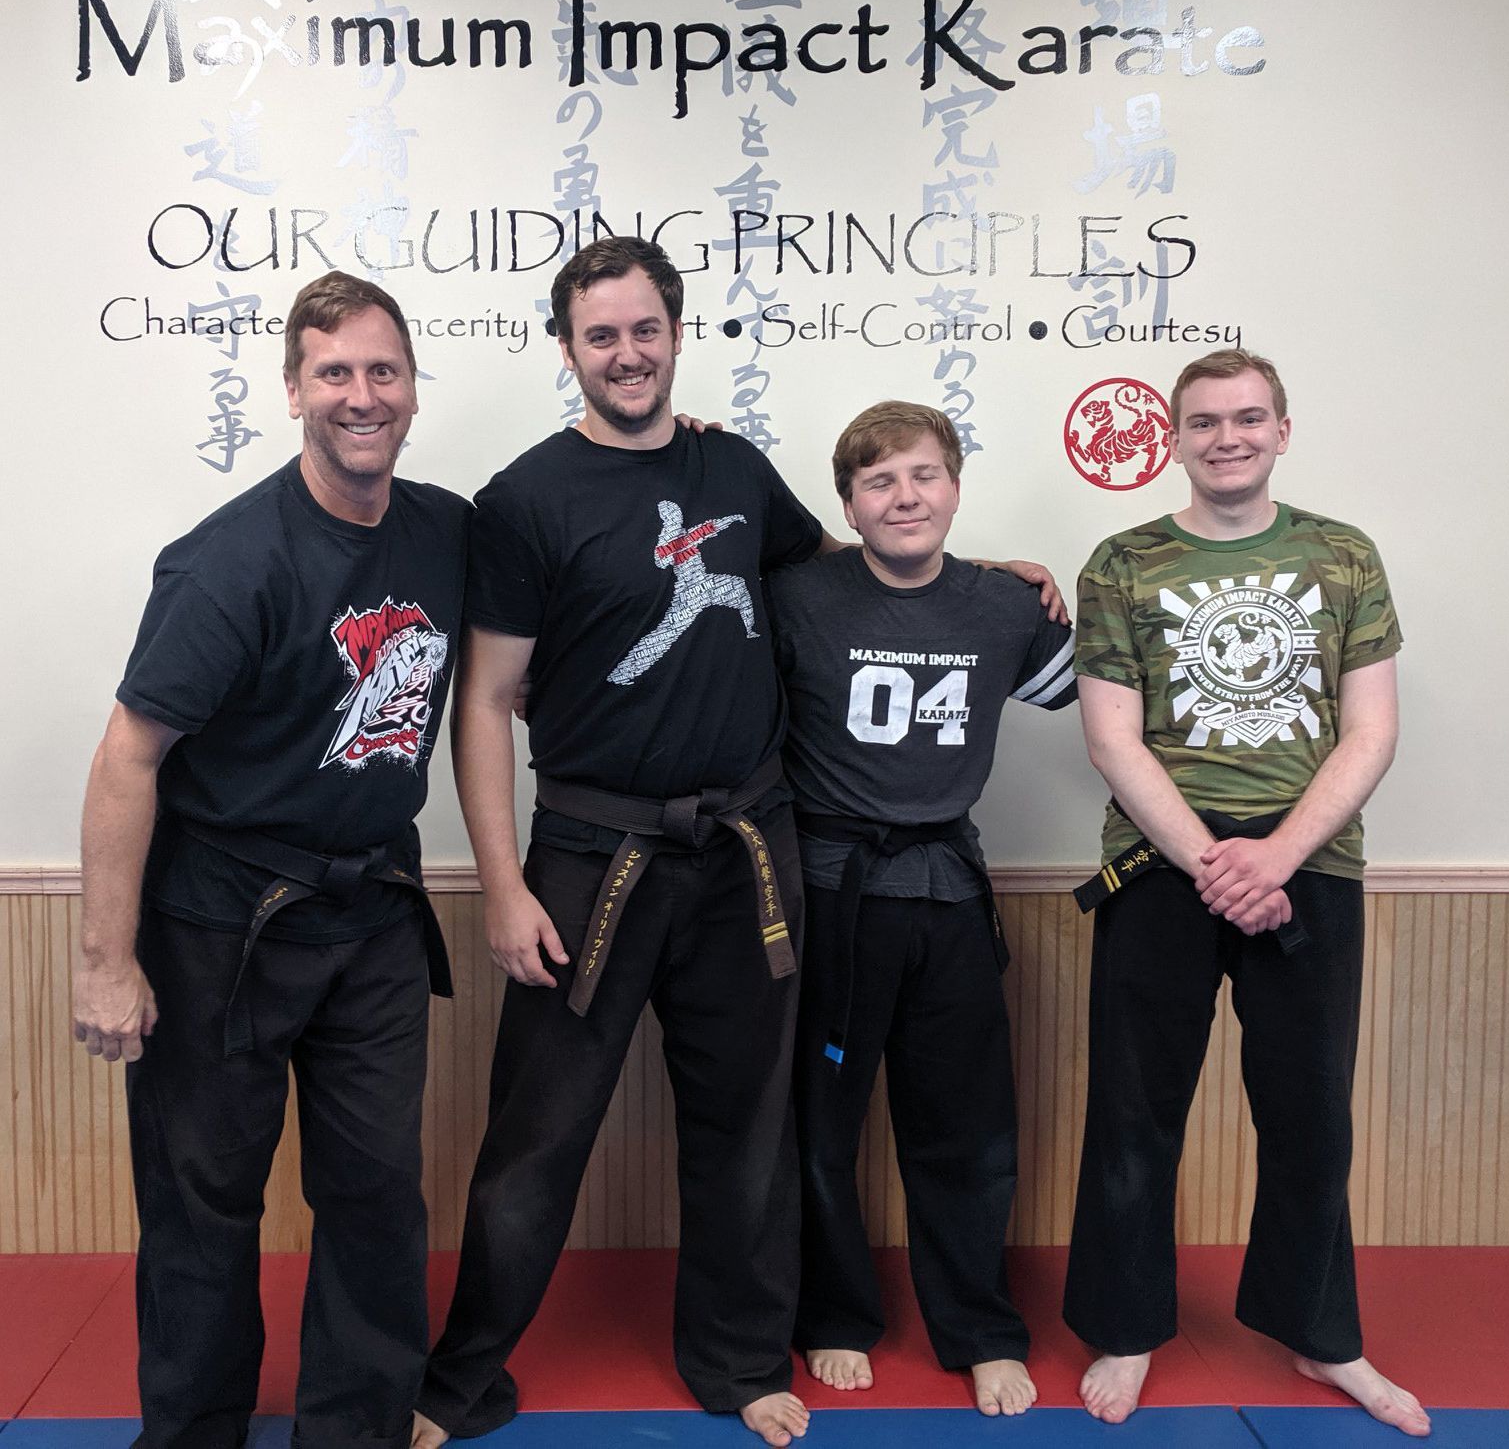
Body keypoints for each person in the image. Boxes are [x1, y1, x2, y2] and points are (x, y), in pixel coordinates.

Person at [410, 236, 827, 1449]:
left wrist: (983, 578)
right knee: (538, 1133)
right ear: (567, 349)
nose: (628, 353)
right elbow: (484, 700)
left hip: (749, 841)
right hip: (592, 854)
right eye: (602, 335)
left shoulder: (738, 469)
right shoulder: (526, 499)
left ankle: (741, 1361)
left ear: (678, 336)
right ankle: (461, 1376)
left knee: (746, 1121)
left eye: (646, 330)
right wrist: (500, 884)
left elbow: (834, 584)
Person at [72, 271, 468, 1449]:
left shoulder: (446, 529)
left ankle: (355, 1426)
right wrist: (105, 960)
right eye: (335, 371)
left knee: (375, 1194)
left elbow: (587, 543)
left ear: (411, 391)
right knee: (203, 1201)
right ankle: (194, 1432)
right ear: (294, 388)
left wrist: (677, 445)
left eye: (382, 371)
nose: (361, 394)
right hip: (218, 923)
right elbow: (126, 760)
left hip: (374, 912)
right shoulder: (230, 561)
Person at [1062, 349, 1430, 1436]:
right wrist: (1214, 860)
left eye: (1249, 418)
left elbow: (1371, 730)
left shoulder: (1344, 555)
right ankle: (1127, 1328)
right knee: (1136, 1109)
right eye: (1206, 420)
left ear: (1281, 429)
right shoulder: (1122, 561)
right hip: (1161, 865)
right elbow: (1112, 740)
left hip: (1308, 866)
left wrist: (1273, 859)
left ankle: (1325, 1339)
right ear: (1173, 436)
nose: (1228, 436)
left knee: (1311, 1114)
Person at [768, 400, 1075, 1419]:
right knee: (822, 1122)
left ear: (955, 484)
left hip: (947, 892)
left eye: (925, 476)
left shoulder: (1003, 608)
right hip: (831, 897)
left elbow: (1102, 701)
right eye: (880, 482)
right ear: (847, 503)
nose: (906, 497)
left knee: (966, 1126)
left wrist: (1029, 583)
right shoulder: (798, 596)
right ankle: (835, 1311)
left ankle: (980, 1328)